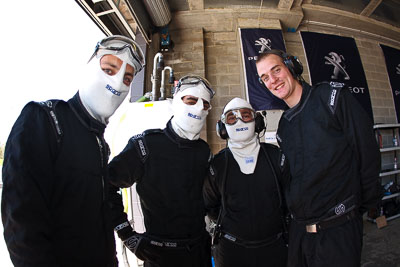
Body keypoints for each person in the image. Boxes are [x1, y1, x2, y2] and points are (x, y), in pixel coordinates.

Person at [1, 35, 145, 267]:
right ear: (90, 68)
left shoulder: (99, 143)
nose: (118, 83)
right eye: (109, 70)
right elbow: (21, 222)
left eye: (128, 78)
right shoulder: (45, 120)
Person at [256, 49, 381, 267]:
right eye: (265, 77)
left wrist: (358, 208)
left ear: (291, 67)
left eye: (276, 70)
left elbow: (367, 151)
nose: (272, 80)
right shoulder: (284, 125)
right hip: (300, 234)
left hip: (338, 231)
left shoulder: (332, 98)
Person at [107, 75, 215, 267]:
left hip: (199, 252)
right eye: (191, 100)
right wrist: (127, 236)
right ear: (175, 102)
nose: (199, 107)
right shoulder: (145, 145)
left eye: (205, 104)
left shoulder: (203, 151)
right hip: (159, 255)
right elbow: (106, 187)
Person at [203, 97, 289, 267]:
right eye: (232, 117)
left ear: (257, 122)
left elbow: (290, 198)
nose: (239, 120)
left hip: (275, 248)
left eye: (246, 115)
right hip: (231, 252)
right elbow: (210, 205)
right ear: (223, 128)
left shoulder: (276, 157)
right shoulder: (217, 165)